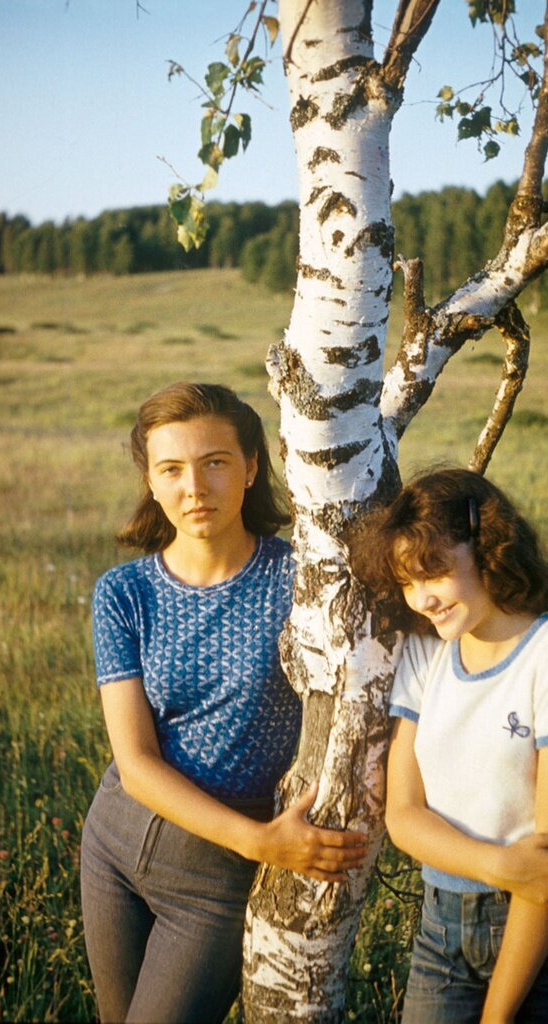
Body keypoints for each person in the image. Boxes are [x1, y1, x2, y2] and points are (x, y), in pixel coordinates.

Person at [80, 382, 368, 1024]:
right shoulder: (123, 594)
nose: (195, 487)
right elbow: (135, 761)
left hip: (214, 877)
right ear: (151, 482)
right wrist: (262, 843)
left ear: (251, 468)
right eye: (172, 469)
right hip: (113, 845)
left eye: (215, 462)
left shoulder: (301, 583)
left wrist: (259, 844)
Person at [352, 468, 548, 1024]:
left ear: (487, 546)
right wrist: (503, 865)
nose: (422, 598)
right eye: (407, 581)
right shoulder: (426, 654)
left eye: (436, 571)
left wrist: (496, 1017)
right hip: (441, 926)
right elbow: (403, 817)